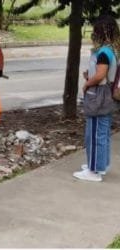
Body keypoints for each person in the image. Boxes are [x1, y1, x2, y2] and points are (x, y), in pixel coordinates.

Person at [73, 15, 120, 182]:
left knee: (94, 134)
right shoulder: (111, 50)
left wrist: (87, 84)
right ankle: (101, 165)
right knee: (102, 132)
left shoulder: (103, 52)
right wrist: (90, 76)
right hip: (106, 94)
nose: (93, 33)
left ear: (101, 32)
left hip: (99, 95)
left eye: (95, 30)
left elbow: (100, 75)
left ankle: (93, 171)